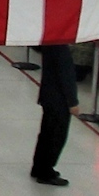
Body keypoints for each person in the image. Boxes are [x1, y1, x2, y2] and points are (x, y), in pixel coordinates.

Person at [31, 42, 78, 186]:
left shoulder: (51, 43)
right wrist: (72, 101)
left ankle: (38, 167)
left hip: (49, 95)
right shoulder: (61, 47)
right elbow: (66, 75)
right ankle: (46, 171)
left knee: (46, 133)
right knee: (56, 135)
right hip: (59, 99)